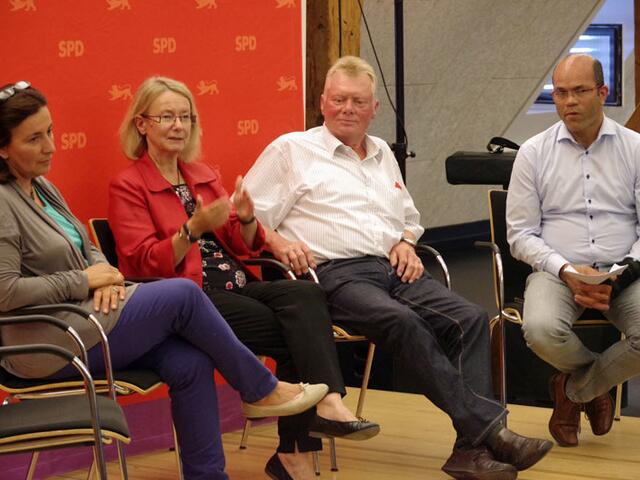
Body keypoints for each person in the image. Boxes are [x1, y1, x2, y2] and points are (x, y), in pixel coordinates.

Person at [242, 55, 553, 480]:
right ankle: (489, 429)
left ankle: (469, 449)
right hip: (332, 275)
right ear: (322, 102)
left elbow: (408, 217)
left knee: (472, 318)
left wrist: (407, 242)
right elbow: (245, 216)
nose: (347, 108)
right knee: (400, 321)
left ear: (374, 109)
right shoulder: (290, 150)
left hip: (394, 269)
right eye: (338, 100)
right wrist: (277, 241)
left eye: (357, 101)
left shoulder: (383, 152)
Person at [0, 81, 330, 480]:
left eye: (50, 132)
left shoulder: (44, 189)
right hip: (49, 343)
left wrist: (106, 277)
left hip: (89, 318)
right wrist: (84, 280)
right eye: (34, 139)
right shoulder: (3, 202)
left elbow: (91, 250)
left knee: (191, 361)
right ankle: (260, 388)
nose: (51, 147)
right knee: (184, 295)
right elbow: (6, 292)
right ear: (3, 148)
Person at [108, 76, 379, 480]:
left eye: (185, 117)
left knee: (305, 296)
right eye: (167, 117)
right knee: (295, 334)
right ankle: (298, 446)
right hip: (189, 299)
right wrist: (191, 230)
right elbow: (141, 265)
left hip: (239, 284)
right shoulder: (128, 186)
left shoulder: (200, 174)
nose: (178, 125)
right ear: (142, 124)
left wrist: (249, 218)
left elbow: (244, 244)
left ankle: (318, 416)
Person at [506, 53, 640, 448]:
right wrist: (566, 270)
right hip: (557, 271)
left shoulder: (635, 149)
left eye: (580, 91)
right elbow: (520, 234)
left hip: (626, 272)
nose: (569, 102)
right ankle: (595, 388)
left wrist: (623, 273)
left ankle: (573, 391)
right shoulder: (534, 152)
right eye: (560, 93)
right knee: (541, 330)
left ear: (603, 92)